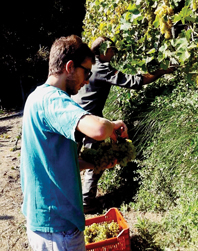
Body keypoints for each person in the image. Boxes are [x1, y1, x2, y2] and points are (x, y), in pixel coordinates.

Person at [20, 35, 128, 251]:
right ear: (70, 67)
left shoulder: (36, 97)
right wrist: (113, 124)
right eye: (86, 72)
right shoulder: (54, 99)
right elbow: (97, 129)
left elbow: (53, 162)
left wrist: (93, 163)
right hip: (58, 228)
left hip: (47, 222)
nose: (87, 80)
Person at [72, 36, 175, 214]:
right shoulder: (102, 68)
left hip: (73, 118)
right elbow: (135, 82)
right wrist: (161, 72)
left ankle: (71, 200)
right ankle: (87, 202)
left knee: (70, 160)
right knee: (93, 160)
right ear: (103, 50)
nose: (114, 52)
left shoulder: (86, 67)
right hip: (90, 122)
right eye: (111, 49)